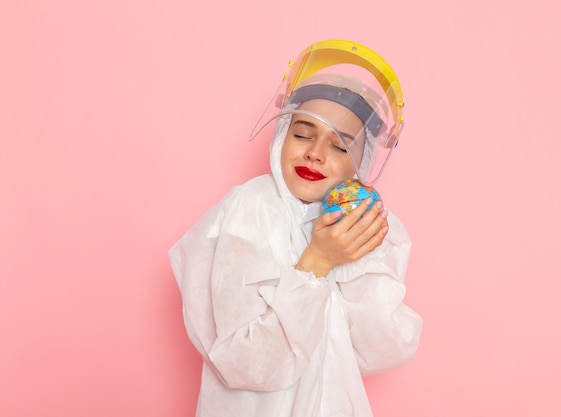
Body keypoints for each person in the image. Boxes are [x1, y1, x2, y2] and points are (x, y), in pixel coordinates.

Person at [169, 39, 423, 417]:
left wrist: (351, 257)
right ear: (282, 134)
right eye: (303, 134)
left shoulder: (369, 224)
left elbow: (381, 352)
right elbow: (243, 365)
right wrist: (317, 261)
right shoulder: (246, 210)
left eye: (340, 147)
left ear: (361, 162)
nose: (315, 153)